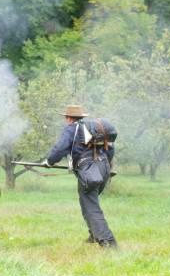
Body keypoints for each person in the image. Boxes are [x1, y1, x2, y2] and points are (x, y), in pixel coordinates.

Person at [45, 105, 117, 248]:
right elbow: (110, 149)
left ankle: (108, 243)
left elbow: (60, 149)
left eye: (66, 117)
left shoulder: (72, 129)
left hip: (89, 172)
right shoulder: (92, 128)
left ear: (69, 118)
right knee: (88, 204)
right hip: (103, 170)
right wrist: (105, 167)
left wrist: (49, 161)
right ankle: (94, 235)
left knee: (91, 207)